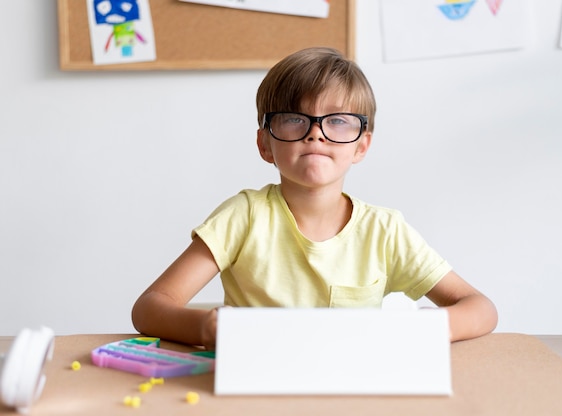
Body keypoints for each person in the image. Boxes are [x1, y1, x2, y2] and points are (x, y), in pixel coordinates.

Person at [132, 47, 498, 350]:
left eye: (338, 121)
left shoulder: (385, 230)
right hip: (254, 384)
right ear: (265, 144)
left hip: (355, 387)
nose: (315, 134)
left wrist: (418, 331)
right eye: (294, 118)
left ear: (361, 146)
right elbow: (150, 307)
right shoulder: (242, 216)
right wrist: (209, 328)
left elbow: (480, 308)